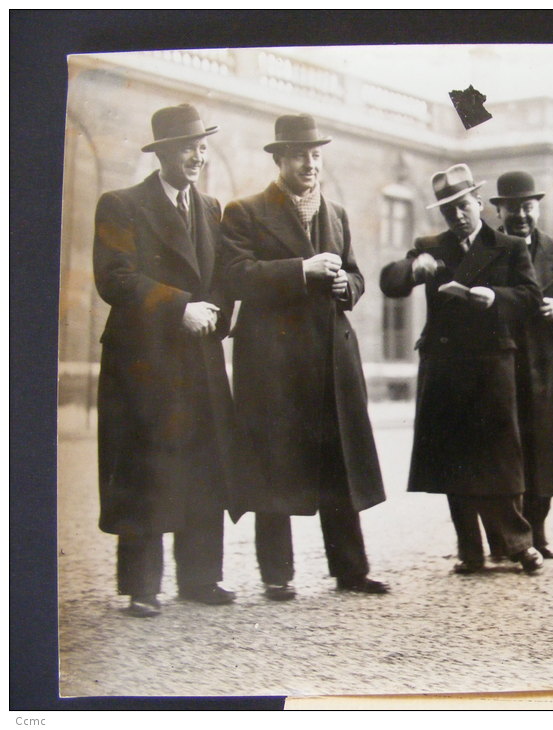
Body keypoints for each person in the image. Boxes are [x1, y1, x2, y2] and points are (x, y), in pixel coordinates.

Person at [220, 113, 388, 599]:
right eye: (299, 155)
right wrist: (302, 269)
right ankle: (277, 575)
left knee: (340, 461)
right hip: (274, 362)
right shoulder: (245, 211)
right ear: (279, 159)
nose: (310, 164)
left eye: (316, 155)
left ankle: (351, 571)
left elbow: (356, 275)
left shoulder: (335, 214)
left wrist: (345, 285)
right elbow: (234, 276)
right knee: (276, 463)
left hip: (332, 357)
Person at [93, 104, 240, 617]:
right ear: (162, 153)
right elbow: (114, 278)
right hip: (144, 362)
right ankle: (142, 587)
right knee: (146, 466)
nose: (198, 155)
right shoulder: (120, 204)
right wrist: (180, 307)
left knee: (204, 462)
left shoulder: (211, 208)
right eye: (187, 147)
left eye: (202, 146)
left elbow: (218, 278)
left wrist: (221, 315)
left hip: (198, 358)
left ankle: (201, 579)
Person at [380, 164, 545, 575]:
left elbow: (529, 295)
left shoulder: (507, 246)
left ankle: (517, 544)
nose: (457, 216)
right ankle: (469, 550)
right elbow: (390, 282)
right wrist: (413, 269)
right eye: (448, 210)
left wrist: (496, 298)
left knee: (500, 457)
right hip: (446, 364)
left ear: (477, 201)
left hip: (492, 362)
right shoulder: (430, 245)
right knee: (454, 459)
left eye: (462, 205)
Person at [489, 171, 553, 560]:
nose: (521, 216)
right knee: (506, 452)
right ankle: (508, 538)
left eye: (528, 207)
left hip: (548, 365)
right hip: (505, 362)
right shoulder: (489, 250)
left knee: (546, 451)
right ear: (500, 211)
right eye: (513, 208)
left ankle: (538, 531)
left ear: (537, 208)